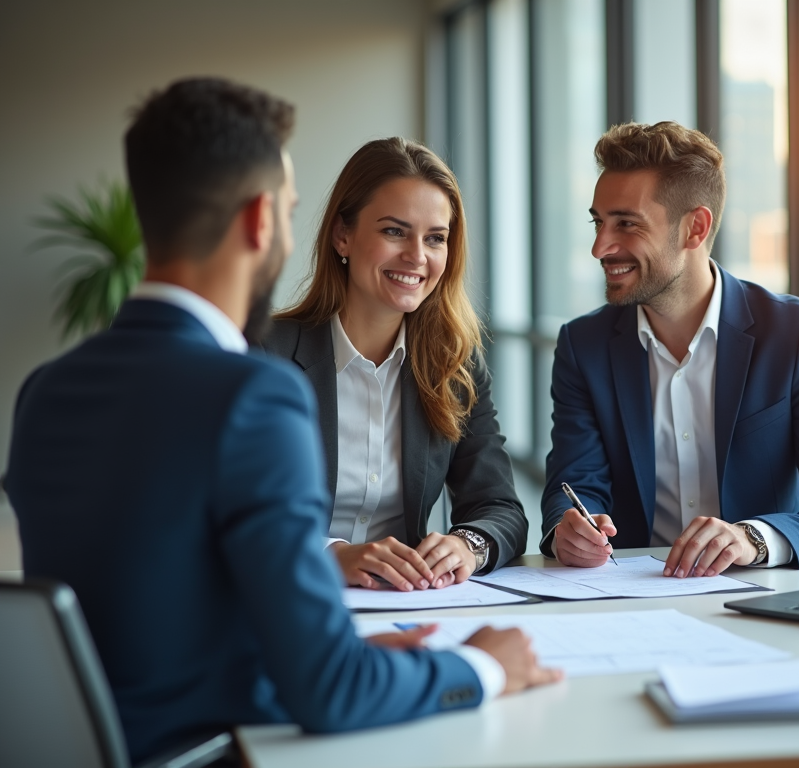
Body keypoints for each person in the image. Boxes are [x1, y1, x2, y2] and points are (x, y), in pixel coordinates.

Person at [4, 77, 559, 764]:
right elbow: (332, 694)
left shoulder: (45, 391)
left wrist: (322, 653)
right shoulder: (252, 392)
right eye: (291, 210)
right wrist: (485, 668)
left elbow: (153, 624)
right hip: (215, 749)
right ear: (261, 220)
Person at [542, 121, 799, 576]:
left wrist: (752, 538)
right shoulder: (584, 346)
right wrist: (570, 531)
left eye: (626, 224)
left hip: (762, 600)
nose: (601, 246)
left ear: (695, 229)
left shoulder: (797, 334)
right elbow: (575, 486)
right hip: (634, 603)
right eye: (599, 222)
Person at [263, 138, 527, 592]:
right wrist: (332, 555)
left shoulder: (455, 366)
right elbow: (228, 512)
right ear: (342, 234)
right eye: (394, 231)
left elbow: (500, 507)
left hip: (407, 607)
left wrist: (467, 545)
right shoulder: (263, 354)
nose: (417, 256)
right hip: (286, 603)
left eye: (436, 238)